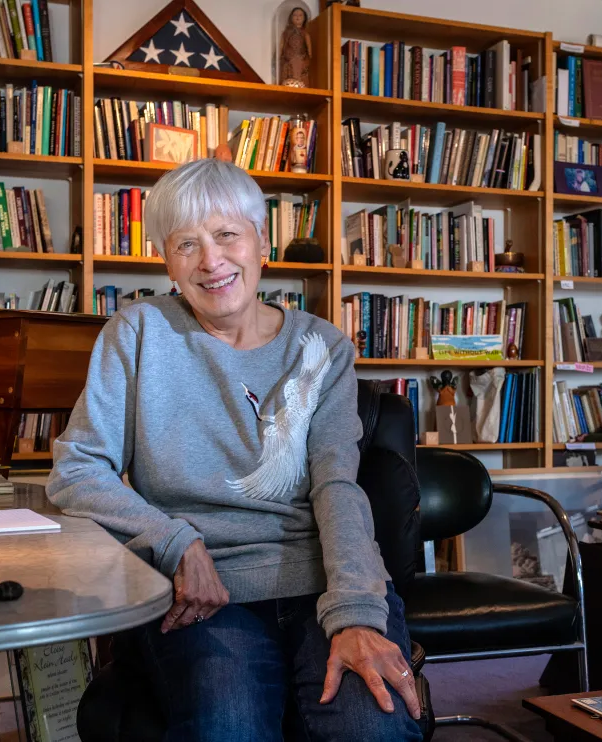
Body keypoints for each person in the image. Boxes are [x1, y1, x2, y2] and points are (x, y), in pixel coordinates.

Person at [46, 158, 422, 742]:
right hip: (200, 594)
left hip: (323, 577)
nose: (211, 261)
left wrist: (353, 612)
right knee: (227, 727)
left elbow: (336, 485)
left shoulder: (321, 347)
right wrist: (175, 542)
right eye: (186, 244)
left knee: (371, 728)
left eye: (227, 235)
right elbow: (76, 470)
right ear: (167, 262)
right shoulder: (139, 332)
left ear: (261, 242)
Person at [279, 6, 312, 87]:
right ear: (291, 17)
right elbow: (281, 46)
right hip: (288, 61)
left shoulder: (305, 34)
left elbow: (309, 50)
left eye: (300, 15)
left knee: (300, 78)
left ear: (304, 18)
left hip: (301, 60)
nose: (298, 17)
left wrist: (307, 60)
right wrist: (279, 57)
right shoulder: (286, 33)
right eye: (295, 15)